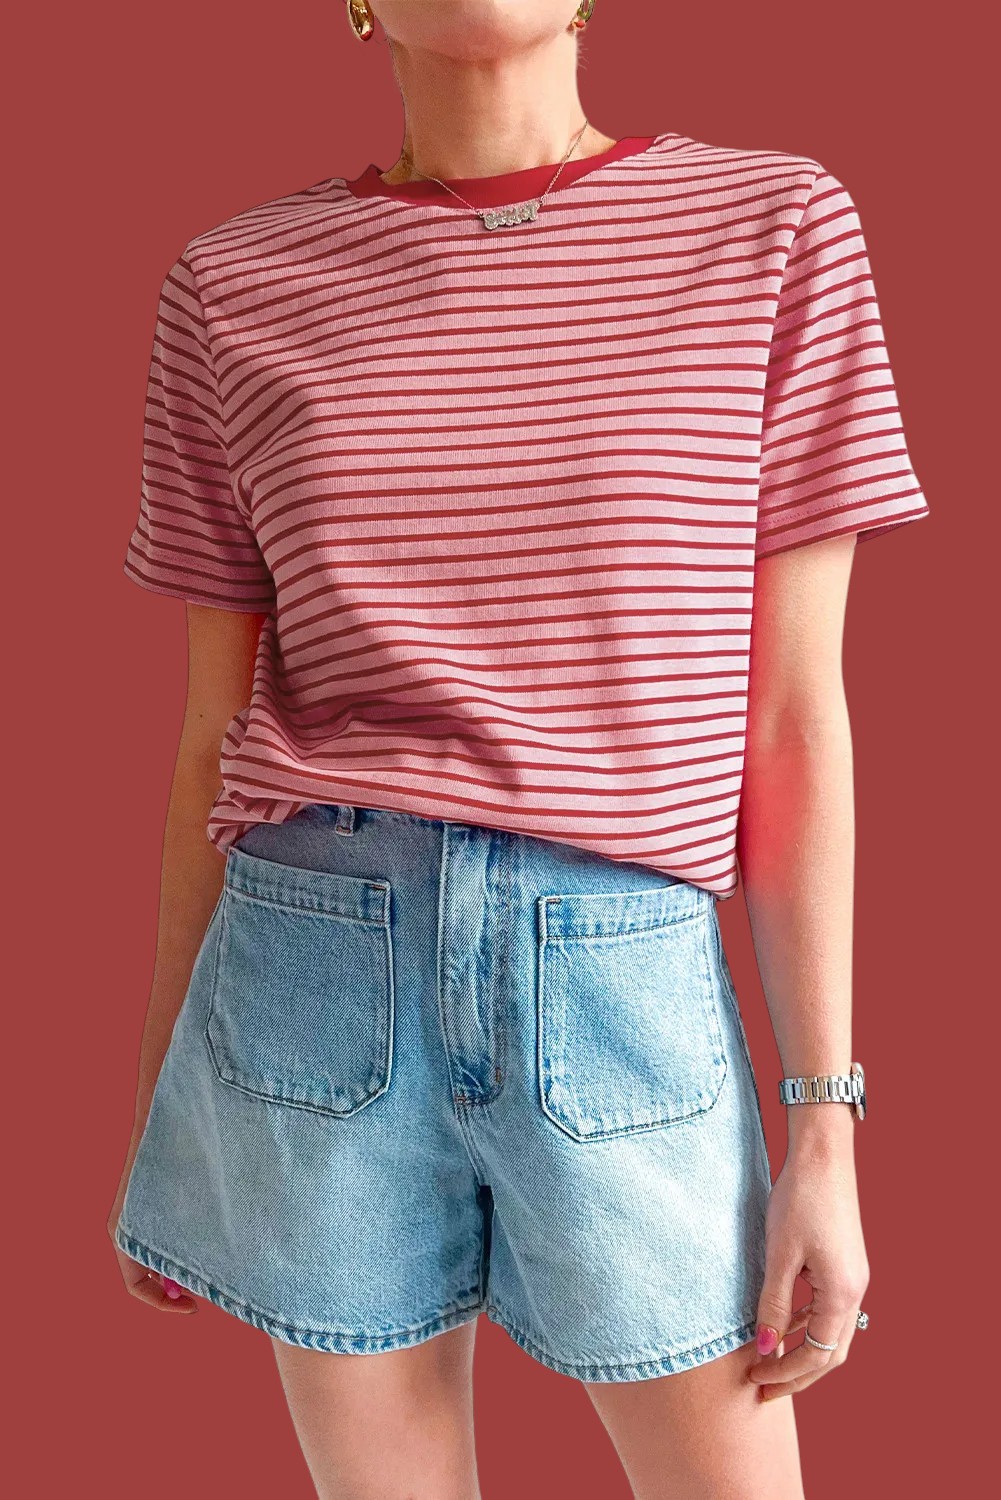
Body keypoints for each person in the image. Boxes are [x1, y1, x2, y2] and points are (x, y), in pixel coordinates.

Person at [107, 3, 928, 1497]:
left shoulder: (773, 228)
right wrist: (171, 1098)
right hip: (311, 964)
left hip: (621, 973)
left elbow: (794, 714)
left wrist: (827, 1127)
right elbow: (210, 729)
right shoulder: (230, 282)